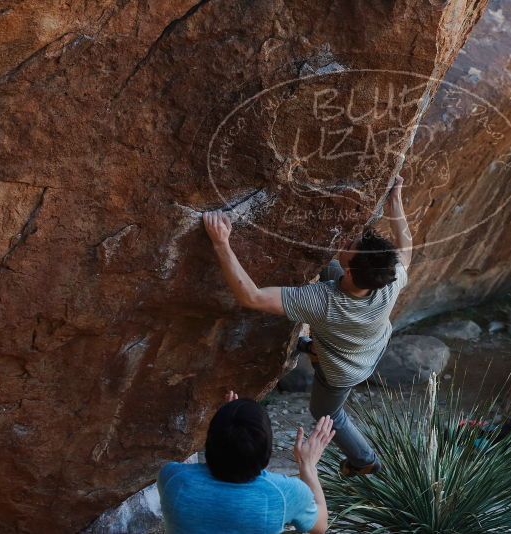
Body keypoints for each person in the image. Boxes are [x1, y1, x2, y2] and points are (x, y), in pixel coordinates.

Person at [203, 176, 412, 476]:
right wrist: (396, 202)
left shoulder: (322, 301)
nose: (346, 241)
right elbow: (407, 251)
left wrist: (221, 243)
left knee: (326, 413)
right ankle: (312, 347)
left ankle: (364, 460)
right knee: (328, 268)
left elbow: (251, 297)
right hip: (370, 344)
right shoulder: (388, 280)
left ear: (350, 271)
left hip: (343, 371)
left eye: (349, 247)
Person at [157, 391, 334, 534]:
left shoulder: (173, 479)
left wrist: (225, 427)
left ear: (210, 441)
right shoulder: (286, 493)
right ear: (267, 451)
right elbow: (320, 526)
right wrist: (307, 465)